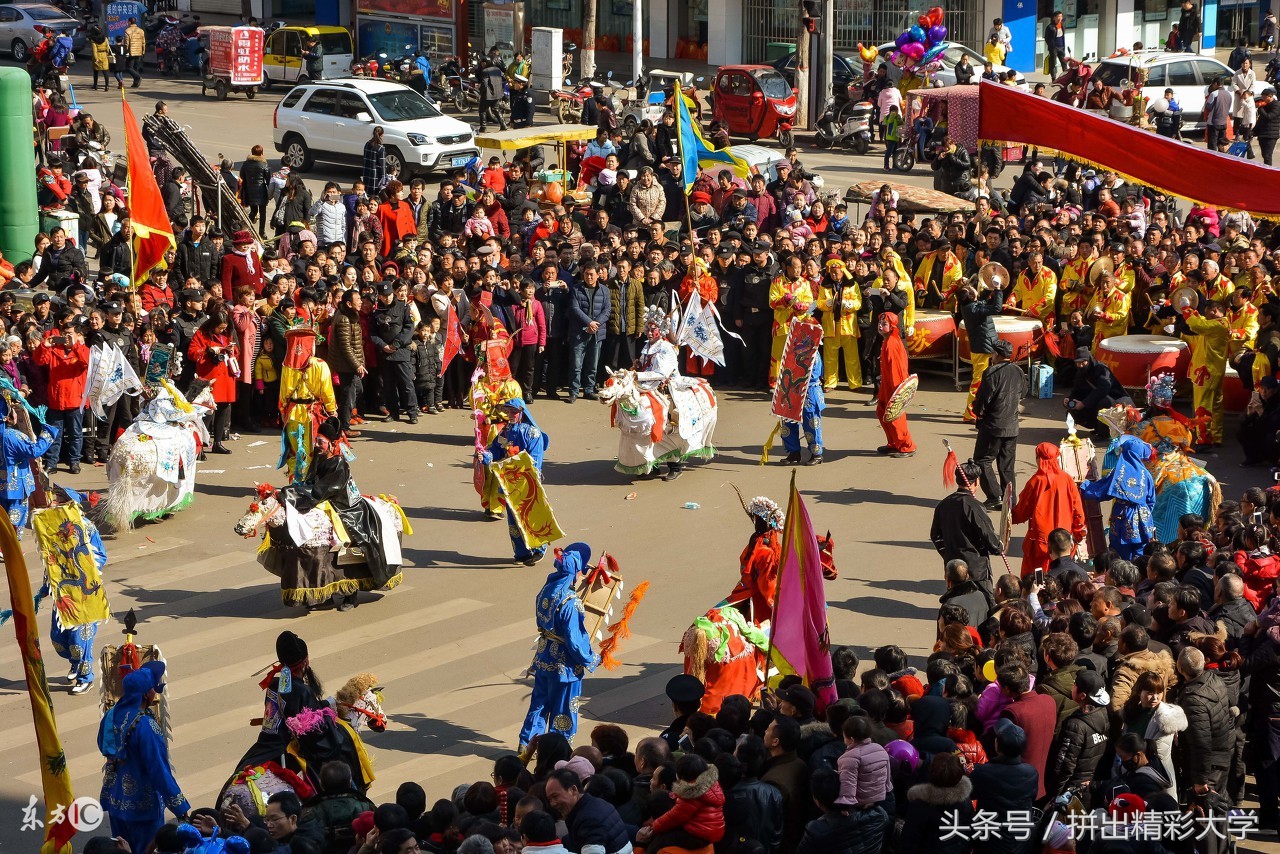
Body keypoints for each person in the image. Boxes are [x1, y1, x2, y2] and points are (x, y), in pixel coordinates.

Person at [278, 417, 403, 612]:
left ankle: (350, 593)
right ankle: (323, 591)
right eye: (317, 441)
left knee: (352, 545)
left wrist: (295, 495)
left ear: (332, 444)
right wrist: (293, 490)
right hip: (324, 502)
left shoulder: (339, 464)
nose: (317, 445)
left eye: (321, 442)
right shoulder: (318, 458)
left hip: (347, 509)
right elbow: (311, 484)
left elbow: (323, 490)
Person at [98, 661, 190, 854]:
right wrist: (180, 807)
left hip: (116, 802)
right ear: (146, 694)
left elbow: (103, 745)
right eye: (152, 689)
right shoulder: (146, 725)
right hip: (143, 809)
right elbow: (159, 771)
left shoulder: (111, 715)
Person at [518, 542, 599, 751]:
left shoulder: (547, 589)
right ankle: (556, 750)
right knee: (563, 710)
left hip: (544, 657)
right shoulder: (570, 602)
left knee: (539, 704)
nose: (583, 574)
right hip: (565, 666)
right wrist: (591, 658)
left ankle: (526, 744)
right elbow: (575, 639)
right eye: (582, 570)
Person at [483, 399, 550, 566]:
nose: (511, 415)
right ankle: (521, 552)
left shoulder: (533, 433)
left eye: (514, 412)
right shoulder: (505, 431)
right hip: (509, 482)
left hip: (527, 482)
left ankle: (538, 548)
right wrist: (486, 455)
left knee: (531, 516)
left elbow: (535, 459)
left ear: (521, 412)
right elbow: (495, 450)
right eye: (508, 412)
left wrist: (518, 467)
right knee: (513, 519)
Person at [932, 457, 1005, 605]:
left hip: (953, 565)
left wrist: (947, 553)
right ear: (976, 482)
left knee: (956, 603)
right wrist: (998, 547)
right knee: (986, 604)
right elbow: (987, 534)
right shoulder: (974, 506)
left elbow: (935, 535)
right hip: (976, 568)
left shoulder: (943, 504)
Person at [1012, 444, 1086, 576]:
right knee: (1064, 575)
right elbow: (1078, 509)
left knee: (1036, 576)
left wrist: (1009, 517)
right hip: (1063, 539)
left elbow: (1022, 511)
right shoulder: (1067, 479)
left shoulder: (1036, 481)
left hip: (1040, 542)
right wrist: (1078, 531)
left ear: (1038, 459)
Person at [1080, 434, 1156, 561]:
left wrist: (1085, 486)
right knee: (1141, 553)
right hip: (1144, 519)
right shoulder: (1147, 474)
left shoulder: (1119, 472)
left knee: (1120, 554)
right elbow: (1151, 501)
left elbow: (1103, 491)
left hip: (1123, 516)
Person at [278, 325, 338, 483]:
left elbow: (283, 395)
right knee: (313, 449)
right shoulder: (319, 364)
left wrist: (283, 410)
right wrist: (332, 410)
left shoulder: (287, 366)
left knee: (295, 450)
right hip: (312, 412)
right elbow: (327, 391)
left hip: (292, 413)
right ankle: (310, 483)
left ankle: (295, 482)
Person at [971, 338, 1024, 508]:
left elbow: (983, 399)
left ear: (997, 354)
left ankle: (995, 496)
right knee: (1007, 465)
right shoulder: (1018, 371)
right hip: (1012, 425)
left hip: (993, 425)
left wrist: (978, 413)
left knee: (982, 459)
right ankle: (1010, 499)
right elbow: (1023, 393)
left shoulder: (991, 372)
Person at [371, 281, 418, 424]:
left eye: (389, 295)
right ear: (380, 297)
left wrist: (396, 344)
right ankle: (393, 412)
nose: (387, 298)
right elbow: (372, 334)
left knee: (406, 384)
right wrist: (383, 345)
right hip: (385, 353)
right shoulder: (376, 312)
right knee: (389, 386)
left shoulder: (403, 307)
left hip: (401, 352)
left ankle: (412, 412)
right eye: (384, 296)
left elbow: (409, 328)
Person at [875, 312, 916, 458]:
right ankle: (894, 442)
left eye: (884, 324)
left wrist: (896, 394)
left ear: (892, 327)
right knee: (882, 412)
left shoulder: (891, 343)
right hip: (887, 385)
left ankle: (906, 445)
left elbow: (896, 370)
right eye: (879, 323)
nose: (880, 326)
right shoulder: (888, 340)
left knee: (895, 415)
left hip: (893, 385)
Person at [1066, 347, 1133, 432]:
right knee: (1072, 411)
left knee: (1103, 402)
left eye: (1083, 362)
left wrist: (1084, 403)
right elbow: (1077, 390)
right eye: (1078, 363)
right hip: (1094, 399)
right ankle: (1097, 427)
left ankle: (1104, 433)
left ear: (1089, 360)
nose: (1080, 365)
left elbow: (1103, 389)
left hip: (1116, 400)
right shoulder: (1080, 373)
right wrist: (1070, 399)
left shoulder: (1101, 369)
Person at [779, 351, 825, 466]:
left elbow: (813, 375)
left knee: (811, 423)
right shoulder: (793, 349)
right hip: (792, 389)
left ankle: (817, 454)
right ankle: (793, 452)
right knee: (788, 422)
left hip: (809, 390)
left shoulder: (813, 352)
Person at [1044, 11, 1068, 78]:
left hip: (1061, 46)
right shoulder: (1050, 27)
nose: (1059, 18)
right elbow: (1046, 38)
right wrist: (1051, 45)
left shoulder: (1063, 24)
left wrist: (1063, 46)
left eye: (1061, 16)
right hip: (1053, 48)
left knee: (1064, 62)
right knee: (1053, 63)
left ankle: (1065, 77)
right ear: (1054, 18)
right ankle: (1053, 78)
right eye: (1058, 16)